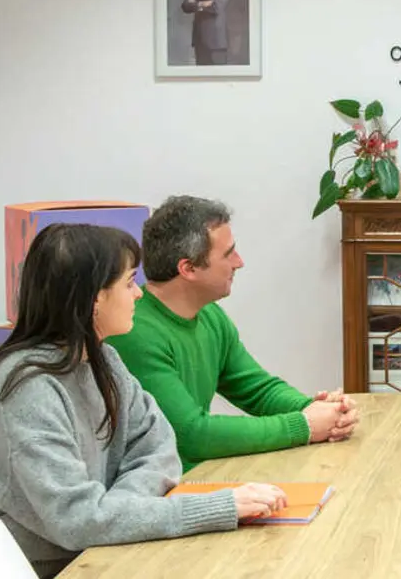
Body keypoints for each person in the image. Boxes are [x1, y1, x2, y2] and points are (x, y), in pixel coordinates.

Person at [0, 224, 288, 578]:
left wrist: (115, 509)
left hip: (84, 556)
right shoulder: (24, 392)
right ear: (94, 299)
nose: (139, 294)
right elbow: (78, 521)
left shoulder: (102, 359)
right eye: (128, 282)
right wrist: (215, 508)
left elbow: (157, 445)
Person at [106, 196, 357, 473]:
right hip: (165, 489)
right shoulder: (133, 332)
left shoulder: (209, 315)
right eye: (228, 254)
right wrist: (305, 425)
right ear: (188, 268)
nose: (239, 262)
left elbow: (257, 389)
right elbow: (192, 435)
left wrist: (318, 409)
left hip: (202, 477)